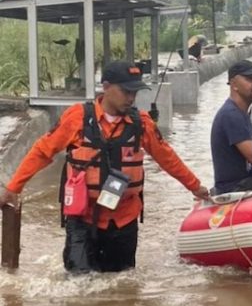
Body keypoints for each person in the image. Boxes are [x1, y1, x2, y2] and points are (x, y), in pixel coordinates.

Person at [0, 61, 209, 273]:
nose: (131, 98)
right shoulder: (77, 118)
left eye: (134, 92)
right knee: (77, 286)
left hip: (124, 221)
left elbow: (167, 158)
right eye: (126, 91)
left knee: (121, 287)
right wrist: (13, 188)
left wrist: (195, 187)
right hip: (82, 218)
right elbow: (42, 152)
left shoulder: (142, 123)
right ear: (106, 87)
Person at [211, 60, 252, 195]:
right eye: (249, 79)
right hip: (233, 188)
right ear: (234, 84)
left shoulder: (241, 112)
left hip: (243, 182)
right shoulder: (231, 115)